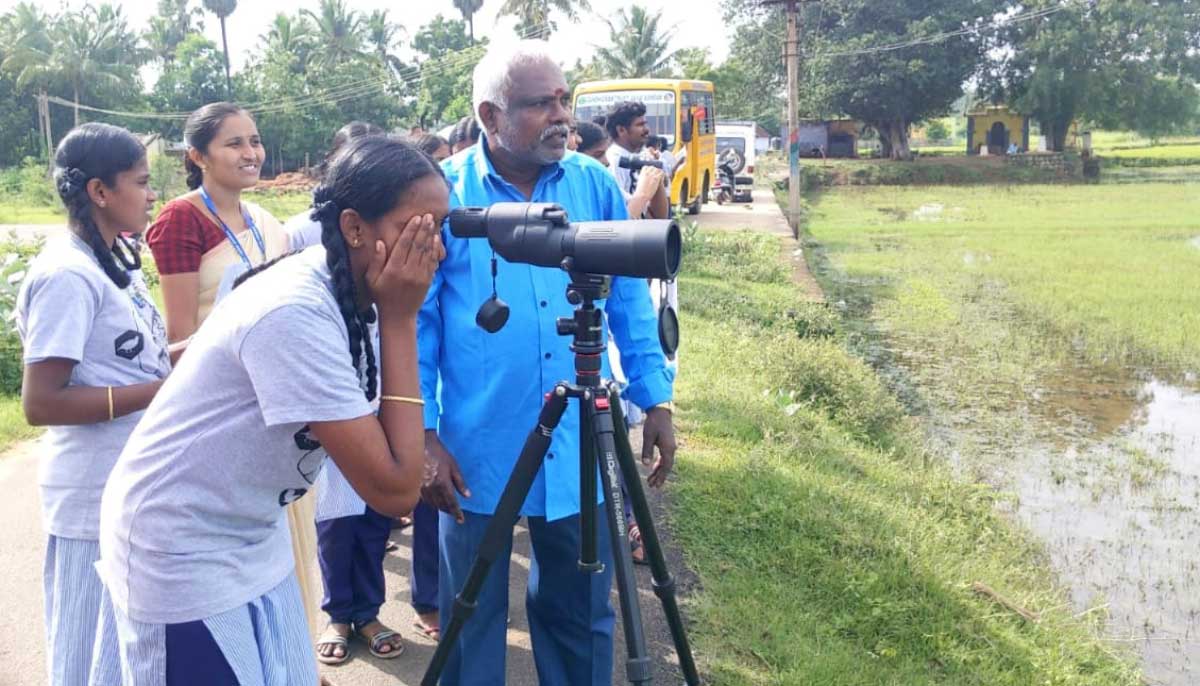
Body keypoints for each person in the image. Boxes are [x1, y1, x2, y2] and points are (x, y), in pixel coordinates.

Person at [91, 135, 447, 684]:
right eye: (415, 231)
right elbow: (395, 489)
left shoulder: (352, 286)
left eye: (439, 231)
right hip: (181, 546)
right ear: (354, 227)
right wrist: (402, 319)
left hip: (251, 528)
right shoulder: (298, 311)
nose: (433, 253)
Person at [419, 41, 678, 686]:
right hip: (474, 444)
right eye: (541, 104)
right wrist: (423, 434)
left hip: (577, 436)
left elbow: (628, 304)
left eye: (564, 99)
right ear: (490, 113)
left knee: (582, 606)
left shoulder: (592, 184)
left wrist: (657, 399)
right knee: (471, 607)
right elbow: (413, 323)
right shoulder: (443, 193)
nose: (562, 115)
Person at [16, 123, 171, 686]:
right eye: (142, 181)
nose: (152, 194)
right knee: (89, 650)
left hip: (125, 481)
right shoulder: (66, 274)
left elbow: (133, 361)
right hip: (89, 496)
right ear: (101, 192)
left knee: (122, 649)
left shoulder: (113, 260)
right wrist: (163, 392)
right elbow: (42, 401)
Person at [146, 102, 290, 342]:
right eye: (235, 144)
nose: (251, 154)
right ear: (199, 157)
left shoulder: (263, 220)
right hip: (216, 370)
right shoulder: (182, 218)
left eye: (255, 142)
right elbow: (181, 335)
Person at [603, 101, 670, 219]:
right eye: (640, 125)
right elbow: (620, 214)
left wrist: (657, 178)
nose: (647, 130)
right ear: (621, 130)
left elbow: (659, 217)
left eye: (646, 124)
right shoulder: (612, 161)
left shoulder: (644, 156)